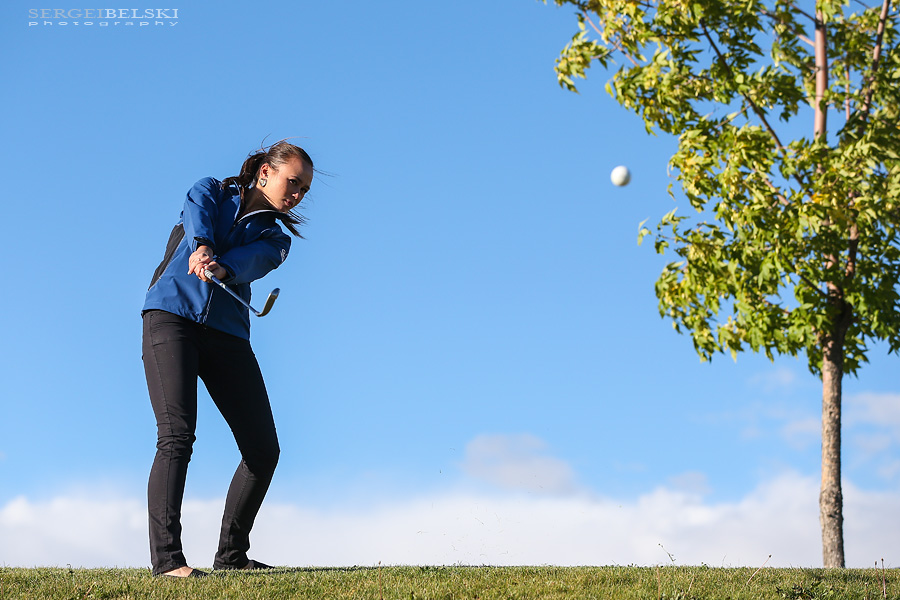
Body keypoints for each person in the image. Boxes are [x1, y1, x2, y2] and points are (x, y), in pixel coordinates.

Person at [141, 140, 314, 577]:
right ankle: (168, 562)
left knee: (263, 450)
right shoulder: (211, 192)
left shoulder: (275, 238)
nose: (296, 194)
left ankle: (231, 558)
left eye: (303, 190)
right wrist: (201, 248)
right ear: (264, 174)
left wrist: (223, 267)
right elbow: (196, 214)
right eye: (292, 182)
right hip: (171, 318)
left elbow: (254, 259)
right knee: (177, 436)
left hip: (228, 336)